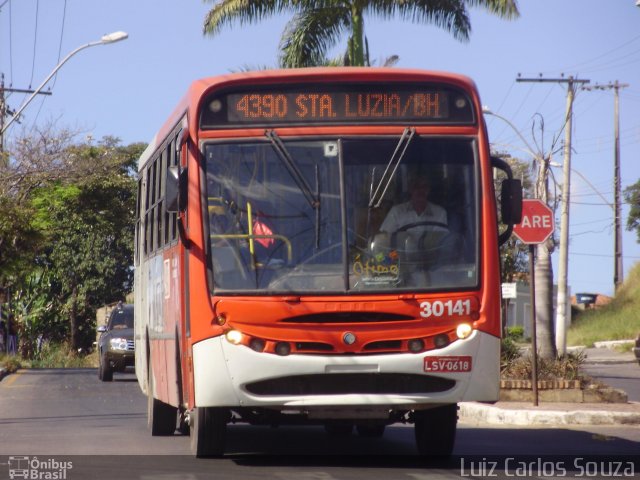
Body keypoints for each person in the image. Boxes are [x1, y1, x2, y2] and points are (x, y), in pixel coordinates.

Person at [379, 175, 447, 235]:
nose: (420, 190)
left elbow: (441, 241)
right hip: (401, 249)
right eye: (416, 186)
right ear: (410, 189)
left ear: (428, 189)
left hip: (432, 250)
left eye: (424, 187)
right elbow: (385, 239)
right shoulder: (396, 212)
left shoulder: (440, 213)